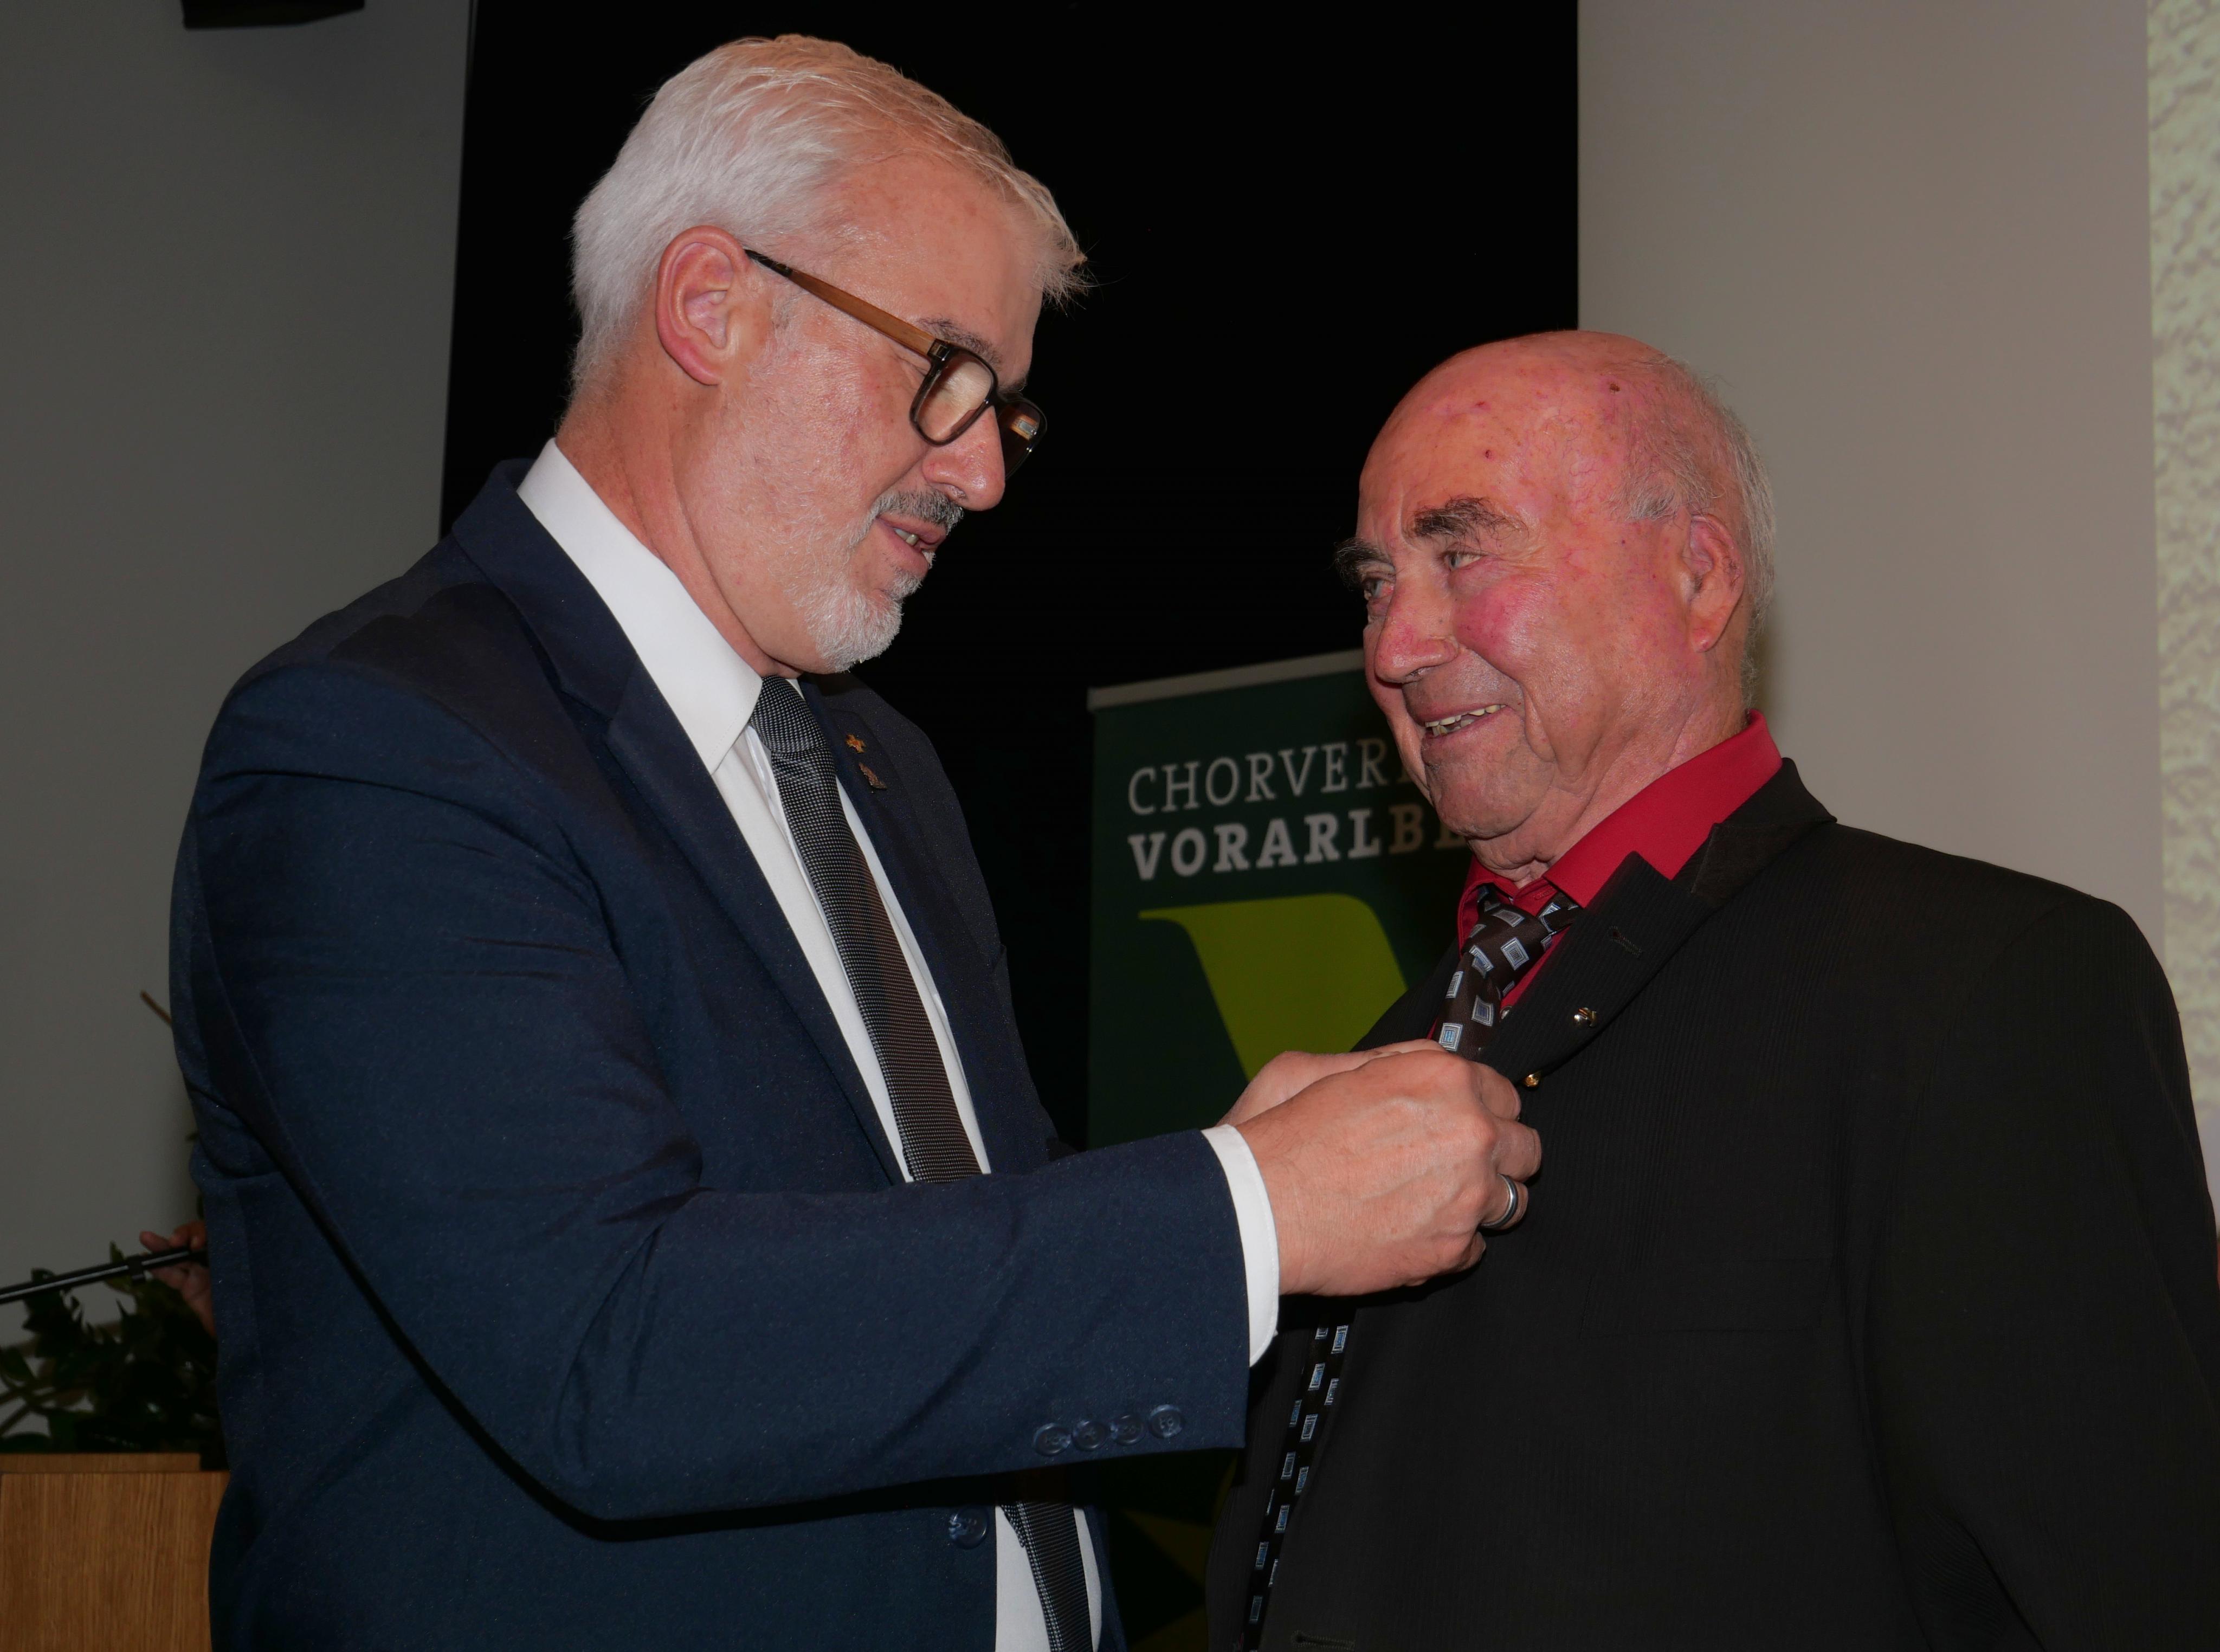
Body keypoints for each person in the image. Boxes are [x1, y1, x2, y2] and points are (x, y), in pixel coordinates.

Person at [168, 36, 1528, 1652]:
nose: (981, 471)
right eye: (944, 370)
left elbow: (924, 1272)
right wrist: (1240, 1211)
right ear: (710, 305)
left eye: (1004, 409)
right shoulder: (380, 747)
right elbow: (613, 1347)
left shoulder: (880, 765)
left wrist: (1233, 1178)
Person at [1207, 331, 2220, 1650]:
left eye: (1463, 555)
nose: (1394, 644)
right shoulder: (1386, 1060)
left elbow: (2130, 1586)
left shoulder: (1989, 991)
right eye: (1373, 584)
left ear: (1696, 577)